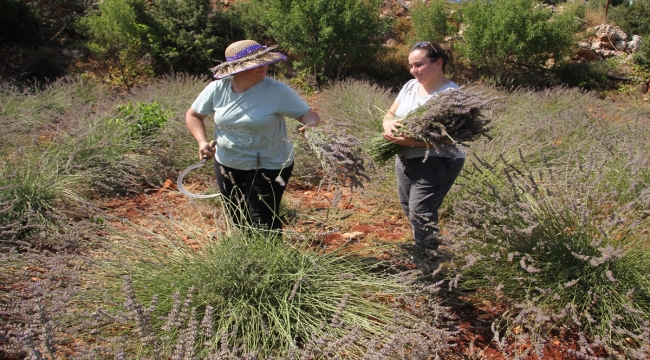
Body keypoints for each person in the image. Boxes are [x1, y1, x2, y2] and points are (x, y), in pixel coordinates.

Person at [185, 40, 320, 232]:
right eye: (256, 64)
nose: (264, 66)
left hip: (269, 163)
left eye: (265, 61)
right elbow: (194, 115)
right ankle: (248, 258)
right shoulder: (217, 89)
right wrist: (202, 141)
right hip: (228, 162)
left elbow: (309, 114)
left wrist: (311, 126)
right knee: (237, 216)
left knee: (263, 218)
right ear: (236, 69)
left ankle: (272, 260)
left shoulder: (277, 91)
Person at [382, 41, 465, 250]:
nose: (413, 71)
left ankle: (428, 264)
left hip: (437, 160)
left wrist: (415, 141)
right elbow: (390, 114)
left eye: (418, 65)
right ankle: (426, 253)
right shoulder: (410, 86)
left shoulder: (452, 95)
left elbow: (453, 136)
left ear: (438, 63)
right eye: (411, 66)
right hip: (405, 157)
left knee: (421, 212)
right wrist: (388, 124)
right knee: (408, 207)